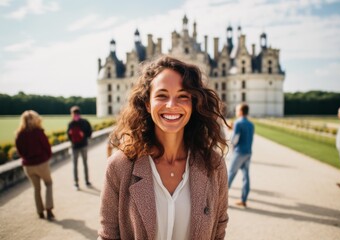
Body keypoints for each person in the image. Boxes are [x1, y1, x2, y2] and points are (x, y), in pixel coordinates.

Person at [98, 56, 229, 239]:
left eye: (183, 96)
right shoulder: (120, 166)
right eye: (162, 95)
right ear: (147, 103)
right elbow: (108, 236)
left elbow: (218, 231)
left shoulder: (214, 165)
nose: (171, 105)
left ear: (193, 103)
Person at [15, 110, 55, 220]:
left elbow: (19, 151)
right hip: (41, 163)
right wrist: (46, 157)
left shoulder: (19, 134)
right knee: (49, 184)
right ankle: (49, 209)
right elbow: (47, 147)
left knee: (36, 189)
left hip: (28, 166)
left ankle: (40, 211)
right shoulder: (38, 132)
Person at [227, 103, 254, 207]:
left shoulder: (238, 123)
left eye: (237, 110)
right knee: (246, 176)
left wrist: (230, 142)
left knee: (230, 174)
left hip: (239, 152)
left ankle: (220, 198)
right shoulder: (251, 124)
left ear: (241, 112)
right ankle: (244, 199)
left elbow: (234, 139)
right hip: (248, 152)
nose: (236, 111)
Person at [67, 105, 92, 190]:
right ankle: (79, 182)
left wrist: (83, 135)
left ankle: (84, 181)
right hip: (76, 146)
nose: (74, 116)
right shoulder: (72, 123)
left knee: (82, 164)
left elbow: (89, 133)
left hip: (81, 146)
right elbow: (69, 136)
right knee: (77, 165)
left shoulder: (82, 122)